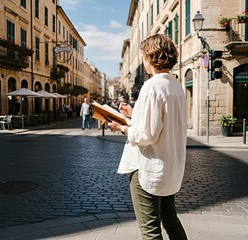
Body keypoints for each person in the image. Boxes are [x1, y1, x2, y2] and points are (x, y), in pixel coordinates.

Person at [108, 33, 188, 240]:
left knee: (150, 230)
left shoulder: (152, 86)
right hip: (170, 166)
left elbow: (146, 135)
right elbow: (163, 122)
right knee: (170, 218)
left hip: (149, 168)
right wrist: (134, 114)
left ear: (150, 56)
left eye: (144, 55)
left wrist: (121, 128)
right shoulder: (176, 86)